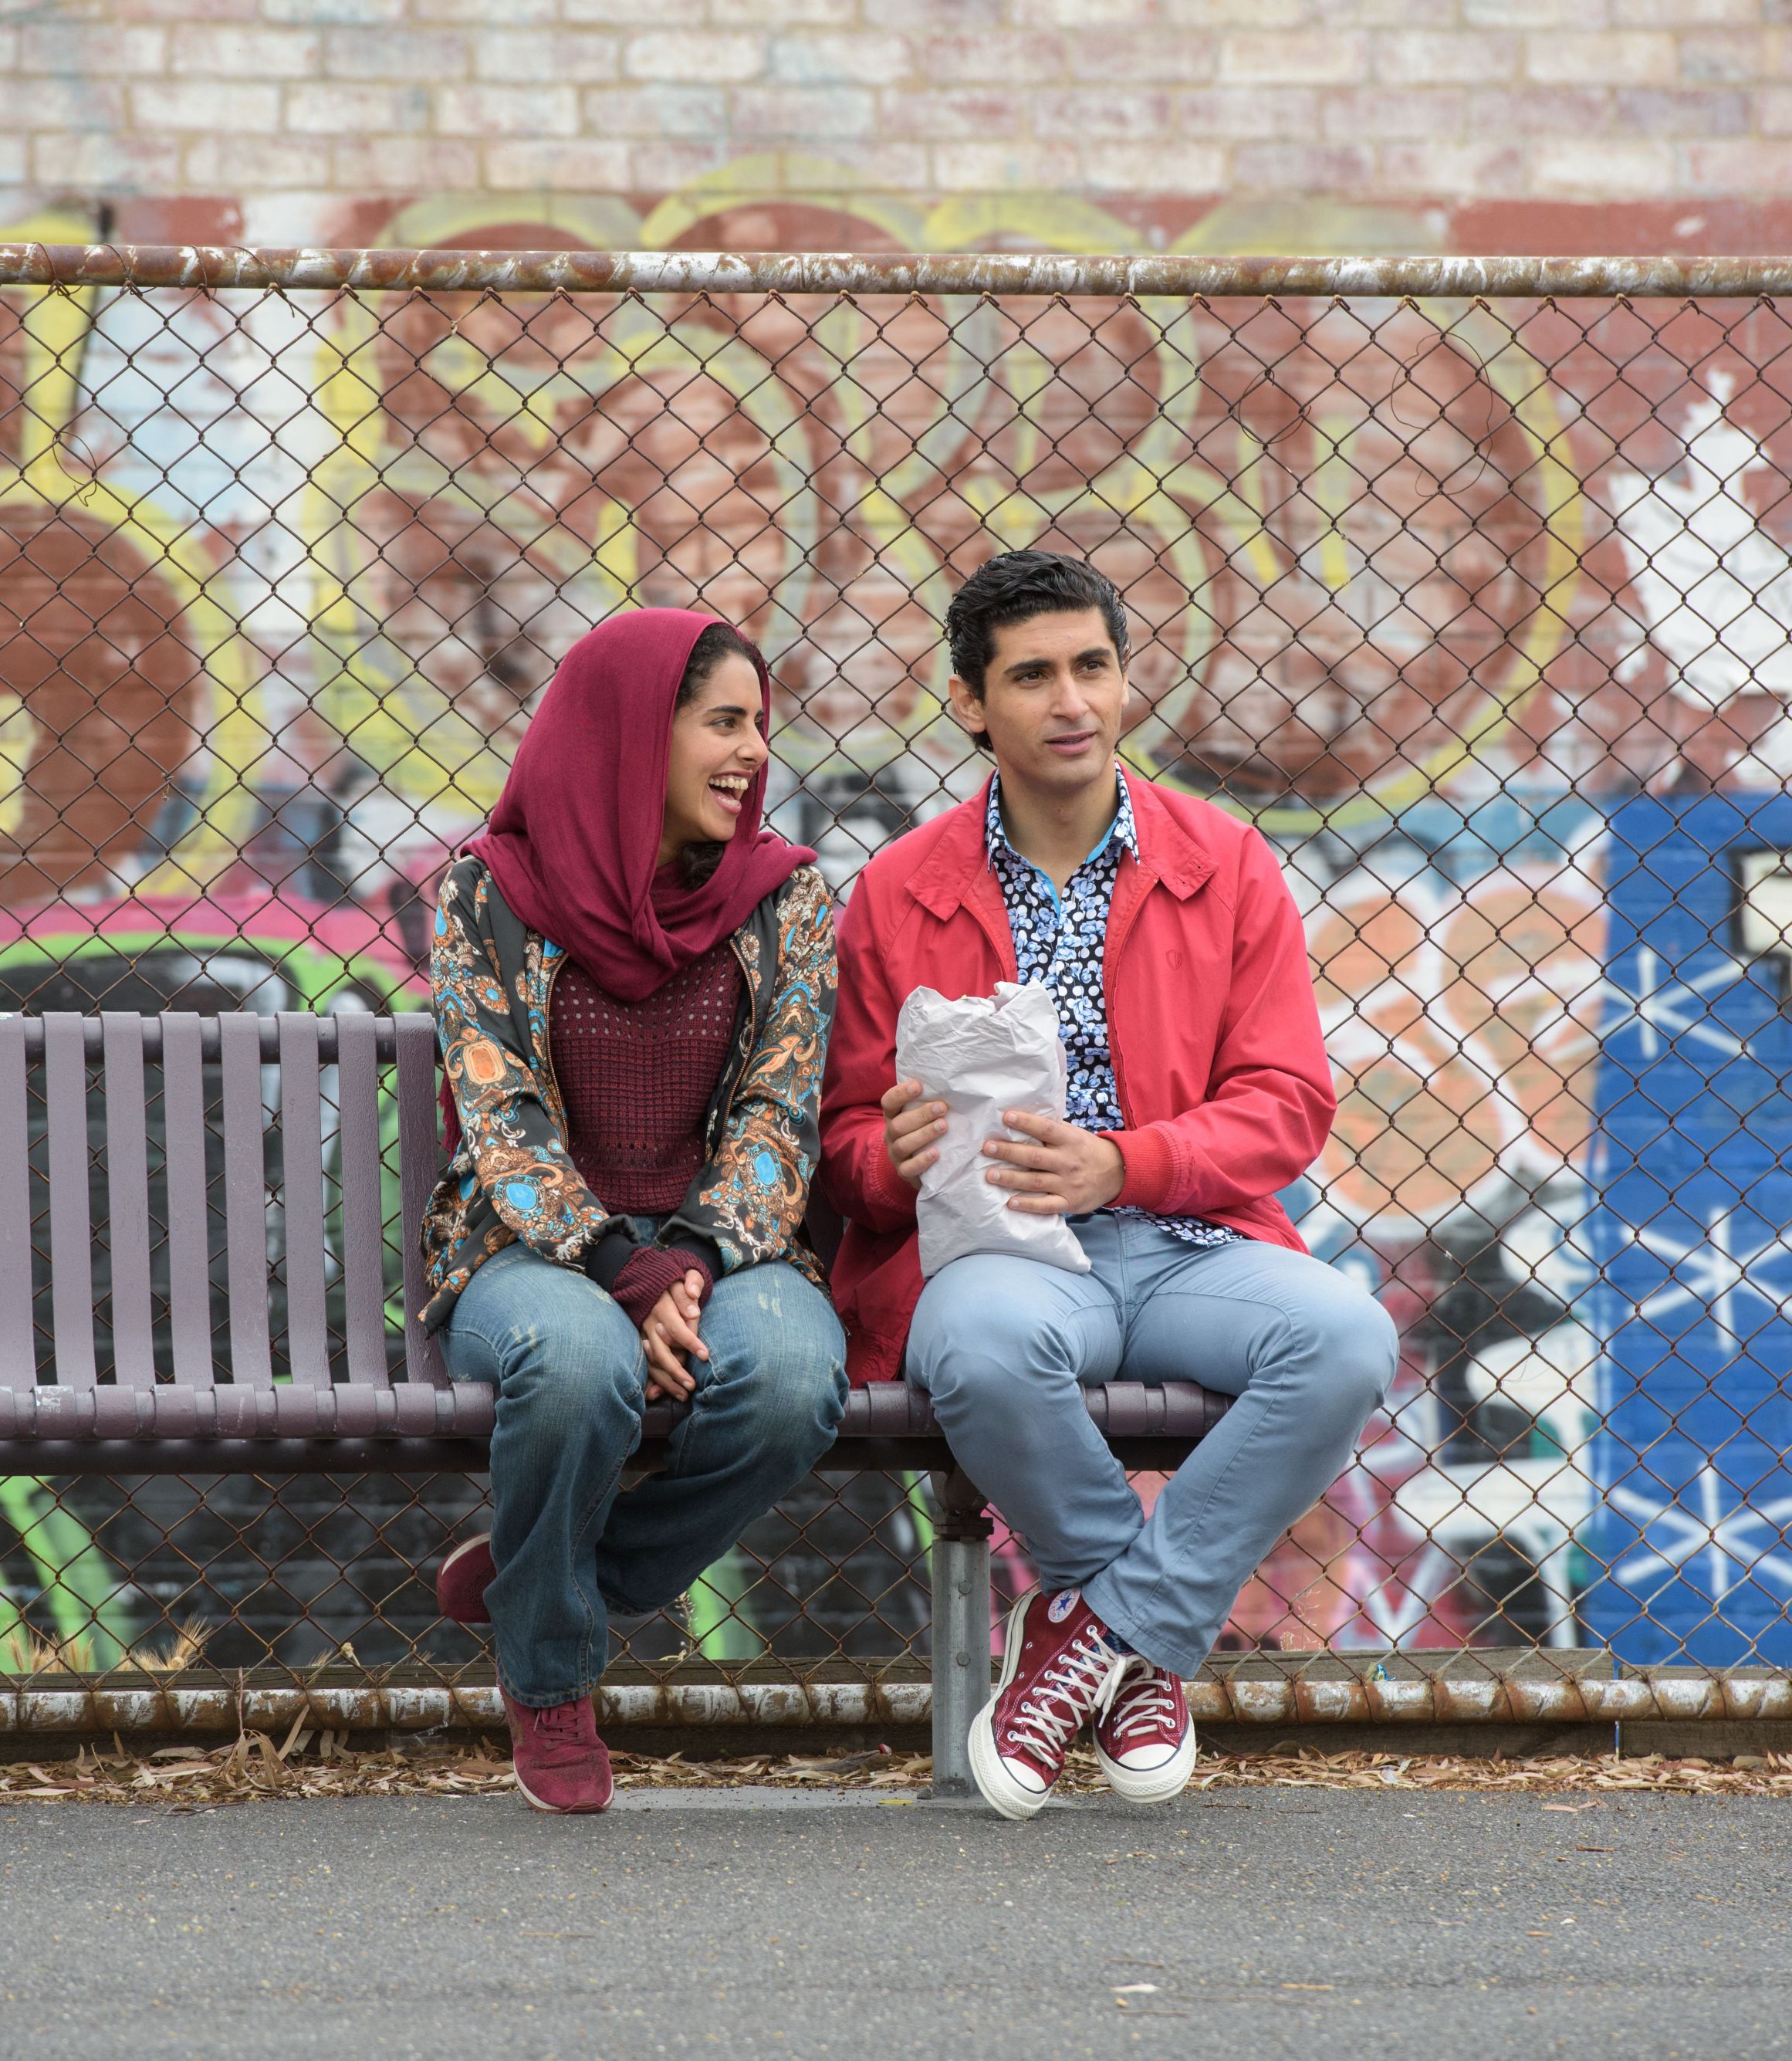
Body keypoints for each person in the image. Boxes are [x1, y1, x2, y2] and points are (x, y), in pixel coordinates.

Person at [816, 550, 1400, 1822]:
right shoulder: (898, 890)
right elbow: (845, 1140)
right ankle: (1137, 1641)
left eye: (1093, 666)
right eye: (1033, 675)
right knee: (975, 1349)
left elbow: (1289, 1103)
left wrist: (1128, 1161)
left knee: (1348, 1338)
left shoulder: (1225, 861)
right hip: (1005, 1253)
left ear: (1128, 680)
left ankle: (1087, 1632)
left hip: (1194, 1240)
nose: (1072, 700)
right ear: (973, 703)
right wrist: (889, 1156)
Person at [422, 607, 847, 1815]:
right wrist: (621, 1262)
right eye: (722, 722)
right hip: (530, 1248)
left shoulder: (786, 897)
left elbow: (780, 1109)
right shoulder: (486, 893)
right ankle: (551, 1675)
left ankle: (548, 1579)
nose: (753, 752)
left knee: (793, 1378)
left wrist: (692, 1257)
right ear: (630, 733)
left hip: (726, 1244)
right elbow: (500, 1116)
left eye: (759, 724)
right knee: (576, 1364)